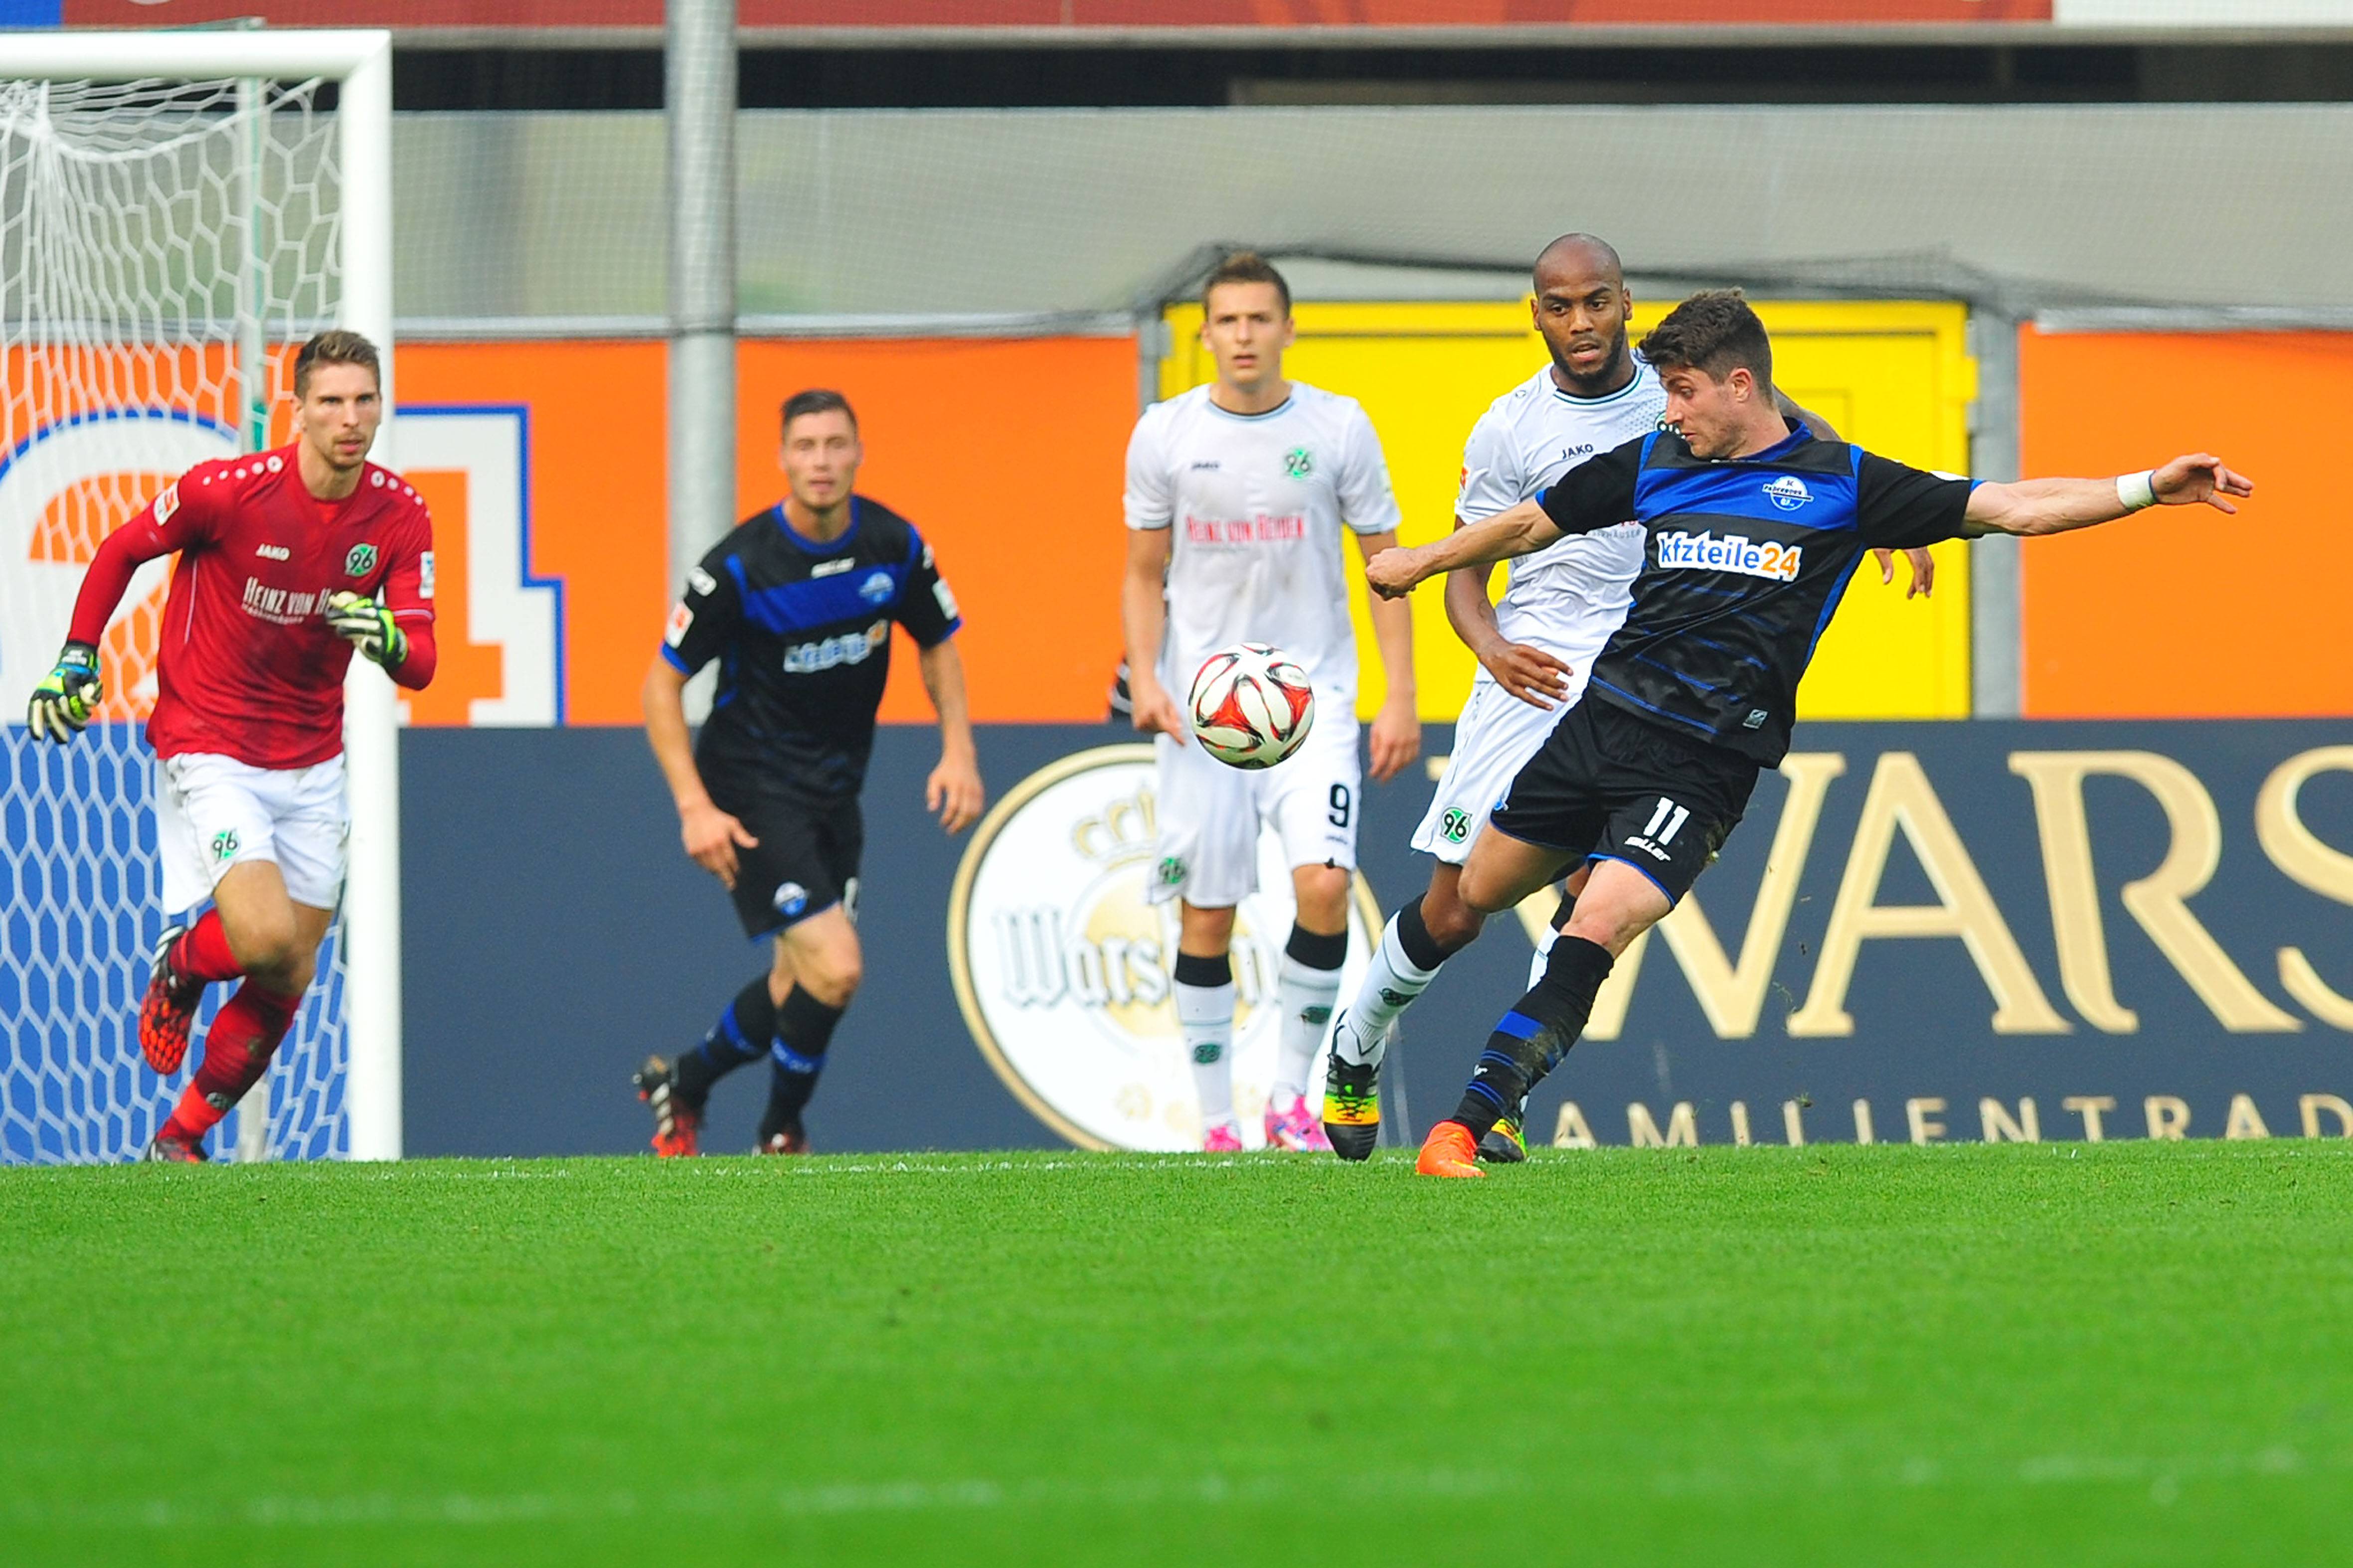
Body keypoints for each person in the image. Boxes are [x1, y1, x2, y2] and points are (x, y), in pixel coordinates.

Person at [1361, 290, 2250, 1178]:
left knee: (1598, 921)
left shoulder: (1844, 484)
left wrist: (2146, 488)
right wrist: (1421, 563)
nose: (1668, 411)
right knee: (1474, 891)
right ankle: (1363, 1047)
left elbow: (2015, 505)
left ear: (1739, 386)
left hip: (1703, 765)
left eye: (1681, 392)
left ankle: (1468, 1124)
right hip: (1599, 727)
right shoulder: (1656, 461)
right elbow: (1531, 521)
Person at [1322, 239, 1932, 1164]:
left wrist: (1895, 523)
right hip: (1534, 667)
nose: (1581, 323)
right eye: (1560, 307)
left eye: (1597, 303)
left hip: (1645, 665)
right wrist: (1492, 649)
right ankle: (1354, 1049)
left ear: (1625, 305)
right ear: (1536, 315)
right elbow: (1469, 567)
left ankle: (1505, 1098)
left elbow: (1791, 437)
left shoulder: (1675, 393)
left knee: (1591, 895)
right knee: (1456, 908)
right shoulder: (1507, 428)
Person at [25, 330, 438, 1162]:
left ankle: (180, 1139)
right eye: (331, 401)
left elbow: (422, 662)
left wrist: (385, 638)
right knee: (259, 937)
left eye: (365, 400)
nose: (350, 419)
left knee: (291, 971)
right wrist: (77, 654)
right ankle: (182, 963)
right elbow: (121, 548)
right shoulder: (229, 491)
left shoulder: (400, 514)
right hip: (208, 741)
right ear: (298, 411)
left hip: (314, 759)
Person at [1123, 252, 1421, 1152]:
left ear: (1289, 328)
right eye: (1228, 321)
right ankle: (1217, 1122)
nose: (1244, 336)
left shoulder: (1337, 427)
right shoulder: (1165, 433)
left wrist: (1398, 694)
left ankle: (1290, 1099)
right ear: (1204, 333)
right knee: (1206, 914)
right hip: (1202, 709)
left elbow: (1386, 566)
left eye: (1261, 319)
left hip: (1311, 698)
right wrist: (1145, 673)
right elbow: (1141, 570)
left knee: (1325, 887)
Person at [636, 390, 983, 1156]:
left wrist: (958, 749)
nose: (821, 462)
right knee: (838, 969)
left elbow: (937, 640)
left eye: (835, 445)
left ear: (858, 452)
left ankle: (686, 1080)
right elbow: (661, 684)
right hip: (749, 791)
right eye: (806, 446)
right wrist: (694, 806)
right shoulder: (740, 565)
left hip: (836, 793)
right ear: (782, 457)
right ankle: (781, 1133)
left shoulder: (893, 545)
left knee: (798, 984)